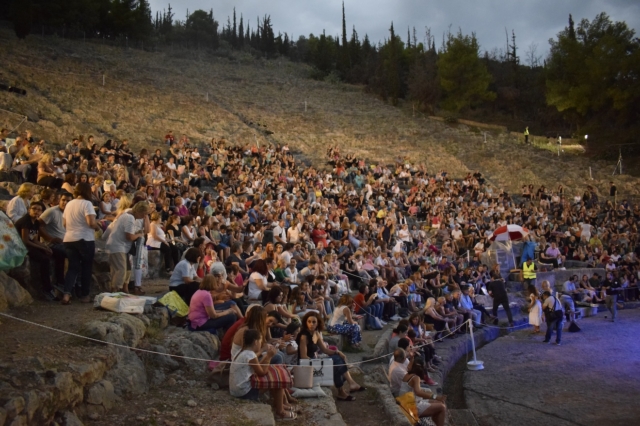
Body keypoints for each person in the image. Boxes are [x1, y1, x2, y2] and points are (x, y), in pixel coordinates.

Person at [229, 329, 297, 421]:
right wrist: (269, 356)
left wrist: (266, 357)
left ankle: (279, 404)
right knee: (278, 381)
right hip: (244, 392)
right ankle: (280, 412)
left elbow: (258, 367)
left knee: (273, 374)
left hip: (236, 389)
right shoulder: (250, 355)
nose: (261, 344)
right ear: (256, 342)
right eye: (260, 341)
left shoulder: (241, 351)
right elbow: (261, 373)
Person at [297, 311, 364, 401]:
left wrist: (337, 351)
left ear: (318, 323)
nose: (311, 324)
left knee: (337, 359)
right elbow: (304, 357)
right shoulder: (304, 336)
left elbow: (325, 350)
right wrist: (318, 362)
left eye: (314, 322)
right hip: (307, 365)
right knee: (336, 362)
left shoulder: (316, 333)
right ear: (305, 322)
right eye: (309, 322)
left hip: (314, 361)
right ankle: (347, 387)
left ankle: (344, 389)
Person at [61, 182, 101, 305]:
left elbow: (64, 223)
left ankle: (66, 294)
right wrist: (98, 227)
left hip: (69, 238)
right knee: (86, 267)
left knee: (72, 267)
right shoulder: (87, 204)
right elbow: (91, 222)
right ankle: (85, 295)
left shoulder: (69, 204)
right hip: (84, 239)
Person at [15, 202, 64, 300]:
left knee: (59, 254)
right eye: (34, 209)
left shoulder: (36, 222)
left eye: (39, 210)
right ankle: (47, 289)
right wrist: (42, 248)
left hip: (31, 244)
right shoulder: (26, 221)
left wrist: (46, 247)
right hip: (22, 247)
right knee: (44, 260)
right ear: (29, 210)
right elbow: (25, 241)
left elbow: (35, 239)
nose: (36, 211)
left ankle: (60, 282)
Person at [105, 201, 149, 294]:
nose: (144, 217)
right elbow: (129, 237)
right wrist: (138, 235)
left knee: (127, 270)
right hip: (117, 246)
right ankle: (115, 292)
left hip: (121, 247)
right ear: (140, 212)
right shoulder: (129, 218)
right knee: (120, 271)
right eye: (144, 214)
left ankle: (121, 290)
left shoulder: (127, 215)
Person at [399, 358, 447, 426]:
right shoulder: (415, 378)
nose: (408, 365)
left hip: (408, 402)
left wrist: (434, 397)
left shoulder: (408, 375)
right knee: (442, 407)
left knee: (438, 403)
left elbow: (417, 391)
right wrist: (436, 397)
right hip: (411, 406)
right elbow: (418, 392)